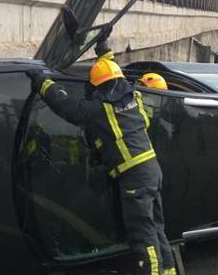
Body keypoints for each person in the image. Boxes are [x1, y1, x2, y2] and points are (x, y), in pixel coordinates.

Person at [27, 37, 177, 275]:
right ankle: (168, 271)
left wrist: (42, 83)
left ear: (98, 86)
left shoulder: (100, 109)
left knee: (142, 234)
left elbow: (65, 105)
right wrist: (103, 49)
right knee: (157, 228)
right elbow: (110, 71)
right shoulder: (134, 97)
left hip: (134, 178)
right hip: (151, 170)